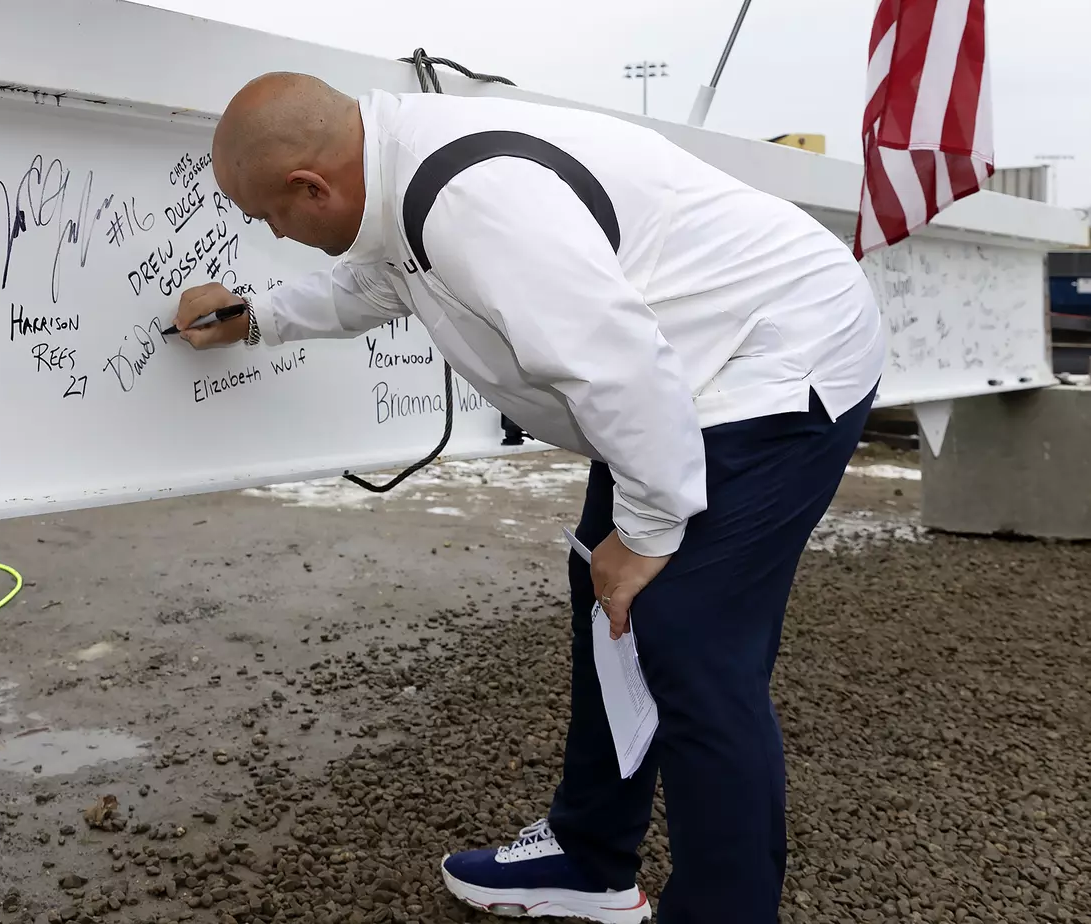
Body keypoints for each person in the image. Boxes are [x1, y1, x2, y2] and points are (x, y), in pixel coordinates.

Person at [173, 72, 886, 924]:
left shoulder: (473, 203)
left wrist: (649, 531)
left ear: (310, 187)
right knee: (607, 591)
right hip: (684, 365)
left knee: (691, 639)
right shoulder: (393, 170)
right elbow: (382, 282)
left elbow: (615, 365)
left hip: (776, 354)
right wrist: (255, 316)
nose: (273, 233)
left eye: (267, 217)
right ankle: (591, 858)